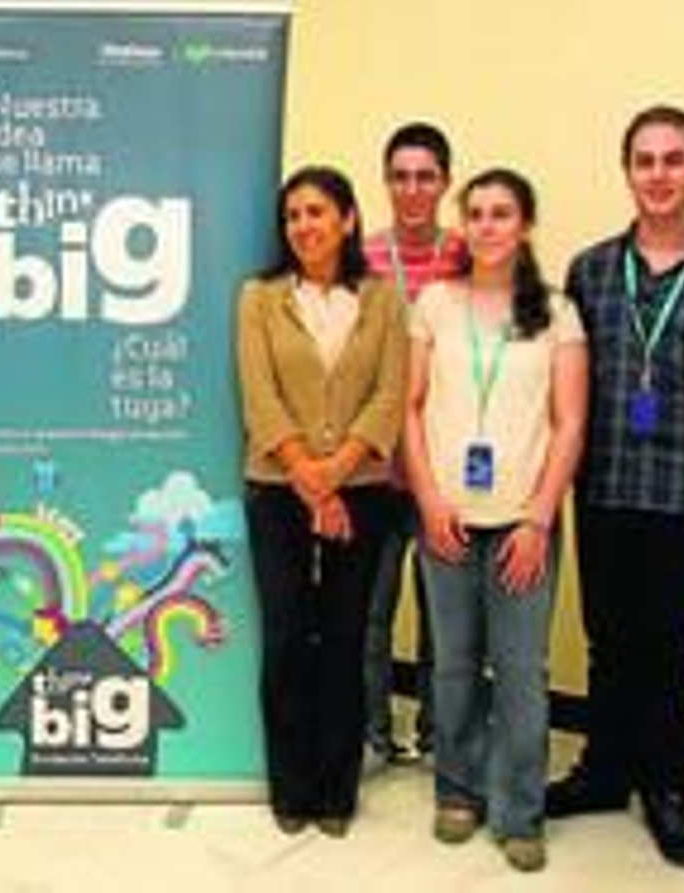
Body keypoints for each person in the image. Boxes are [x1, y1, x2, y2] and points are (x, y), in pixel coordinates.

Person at [549, 105, 684, 867]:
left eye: (674, 159)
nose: (659, 174)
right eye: (645, 160)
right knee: (608, 639)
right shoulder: (590, 268)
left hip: (683, 490)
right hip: (603, 483)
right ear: (627, 171)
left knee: (668, 644)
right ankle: (604, 769)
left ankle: (668, 786)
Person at [404, 168, 587, 873]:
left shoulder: (558, 312)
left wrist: (539, 517)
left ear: (526, 225)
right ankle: (458, 789)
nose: (486, 225)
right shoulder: (435, 303)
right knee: (451, 665)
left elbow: (570, 423)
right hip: (446, 516)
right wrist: (429, 499)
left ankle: (518, 809)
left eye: (501, 213)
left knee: (520, 670)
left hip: (522, 522)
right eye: (475, 213)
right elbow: (411, 408)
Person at [237, 165, 406, 838]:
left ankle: (336, 789)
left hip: (361, 494)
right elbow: (260, 396)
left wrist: (335, 478)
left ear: (348, 219)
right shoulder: (260, 297)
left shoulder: (384, 298)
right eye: (293, 215)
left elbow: (389, 396)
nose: (304, 225)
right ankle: (292, 786)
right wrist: (310, 477)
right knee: (284, 638)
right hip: (277, 491)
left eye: (317, 212)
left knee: (343, 640)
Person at [361, 121, 468, 766]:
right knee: (370, 617)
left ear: (446, 182)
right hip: (373, 469)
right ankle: (372, 735)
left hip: (445, 470)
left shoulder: (469, 255)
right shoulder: (363, 257)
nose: (412, 189)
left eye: (426, 176)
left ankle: (439, 737)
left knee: (445, 623)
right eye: (400, 176)